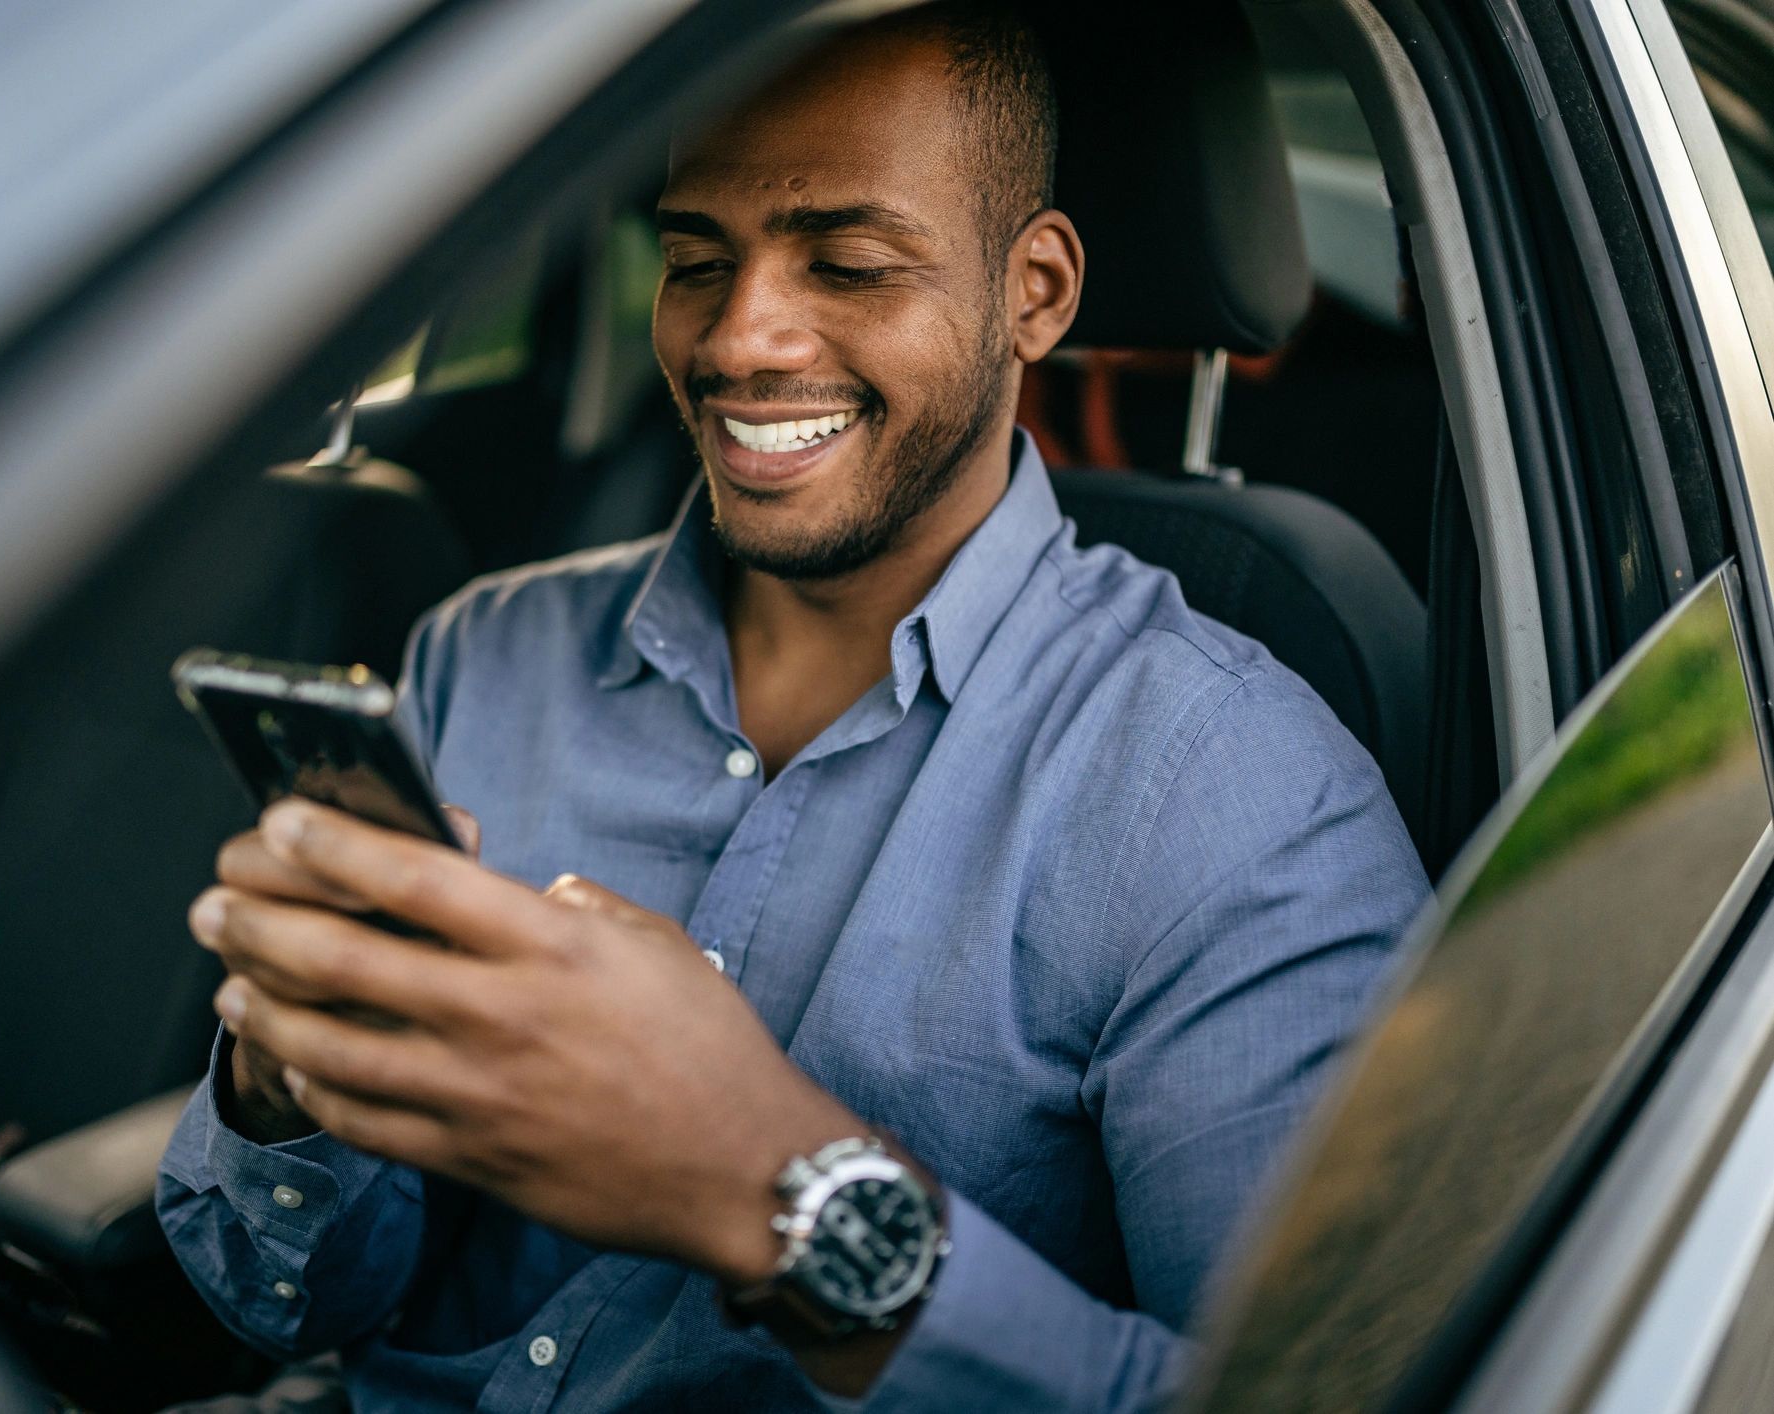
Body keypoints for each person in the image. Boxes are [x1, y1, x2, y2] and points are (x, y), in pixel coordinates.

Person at [157, 4, 1430, 1409]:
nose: (743, 338)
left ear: (1037, 291)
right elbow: (286, 1299)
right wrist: (287, 1084)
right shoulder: (487, 652)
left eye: (848, 263)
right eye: (696, 261)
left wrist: (773, 1190)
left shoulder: (1230, 790)